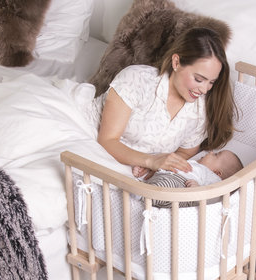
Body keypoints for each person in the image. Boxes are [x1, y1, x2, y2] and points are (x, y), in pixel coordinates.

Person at [96, 27, 236, 179]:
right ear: (176, 62)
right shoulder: (136, 80)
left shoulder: (199, 110)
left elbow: (186, 152)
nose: (204, 89)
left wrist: (162, 165)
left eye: (211, 82)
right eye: (198, 79)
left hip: (137, 172)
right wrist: (151, 161)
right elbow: (107, 140)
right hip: (97, 145)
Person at [134, 150, 244, 208]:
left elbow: (213, 196)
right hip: (162, 176)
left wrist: (198, 189)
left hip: (182, 186)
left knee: (166, 188)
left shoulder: (212, 177)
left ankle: (144, 195)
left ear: (217, 172)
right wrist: (145, 168)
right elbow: (164, 160)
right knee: (160, 186)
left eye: (215, 155)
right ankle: (142, 187)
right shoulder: (193, 163)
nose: (210, 152)